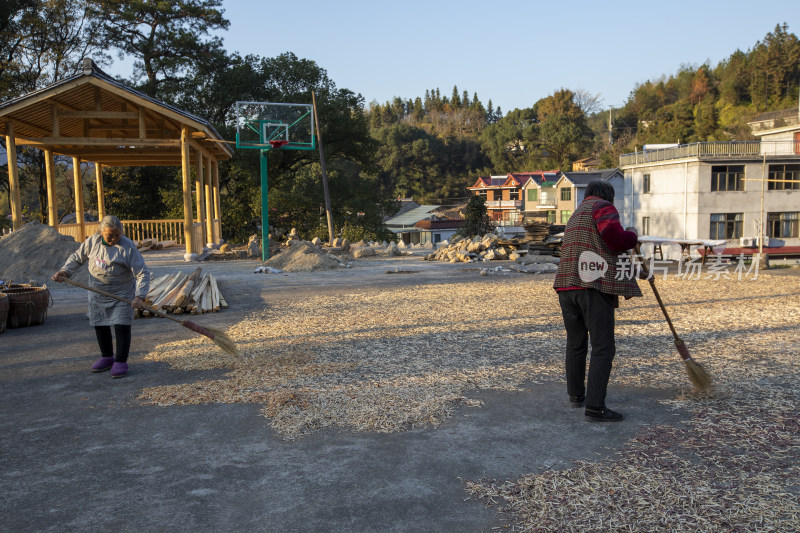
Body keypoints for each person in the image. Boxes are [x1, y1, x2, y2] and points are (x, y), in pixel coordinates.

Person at [553, 180, 641, 422]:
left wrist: (640, 272)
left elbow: (600, 248)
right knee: (603, 347)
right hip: (592, 286)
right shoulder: (602, 206)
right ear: (607, 196)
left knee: (576, 343)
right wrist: (632, 237)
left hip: (566, 287)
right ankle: (595, 408)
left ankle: (576, 395)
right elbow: (613, 239)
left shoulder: (576, 214)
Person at [52, 215, 150, 379]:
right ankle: (107, 357)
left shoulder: (127, 247)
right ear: (101, 233)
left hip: (122, 293)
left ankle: (120, 360)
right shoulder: (93, 242)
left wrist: (140, 295)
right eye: (109, 235)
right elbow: (77, 258)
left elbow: (142, 273)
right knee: (100, 324)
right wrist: (65, 271)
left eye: (117, 235)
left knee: (121, 325)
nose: (113, 239)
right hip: (98, 292)